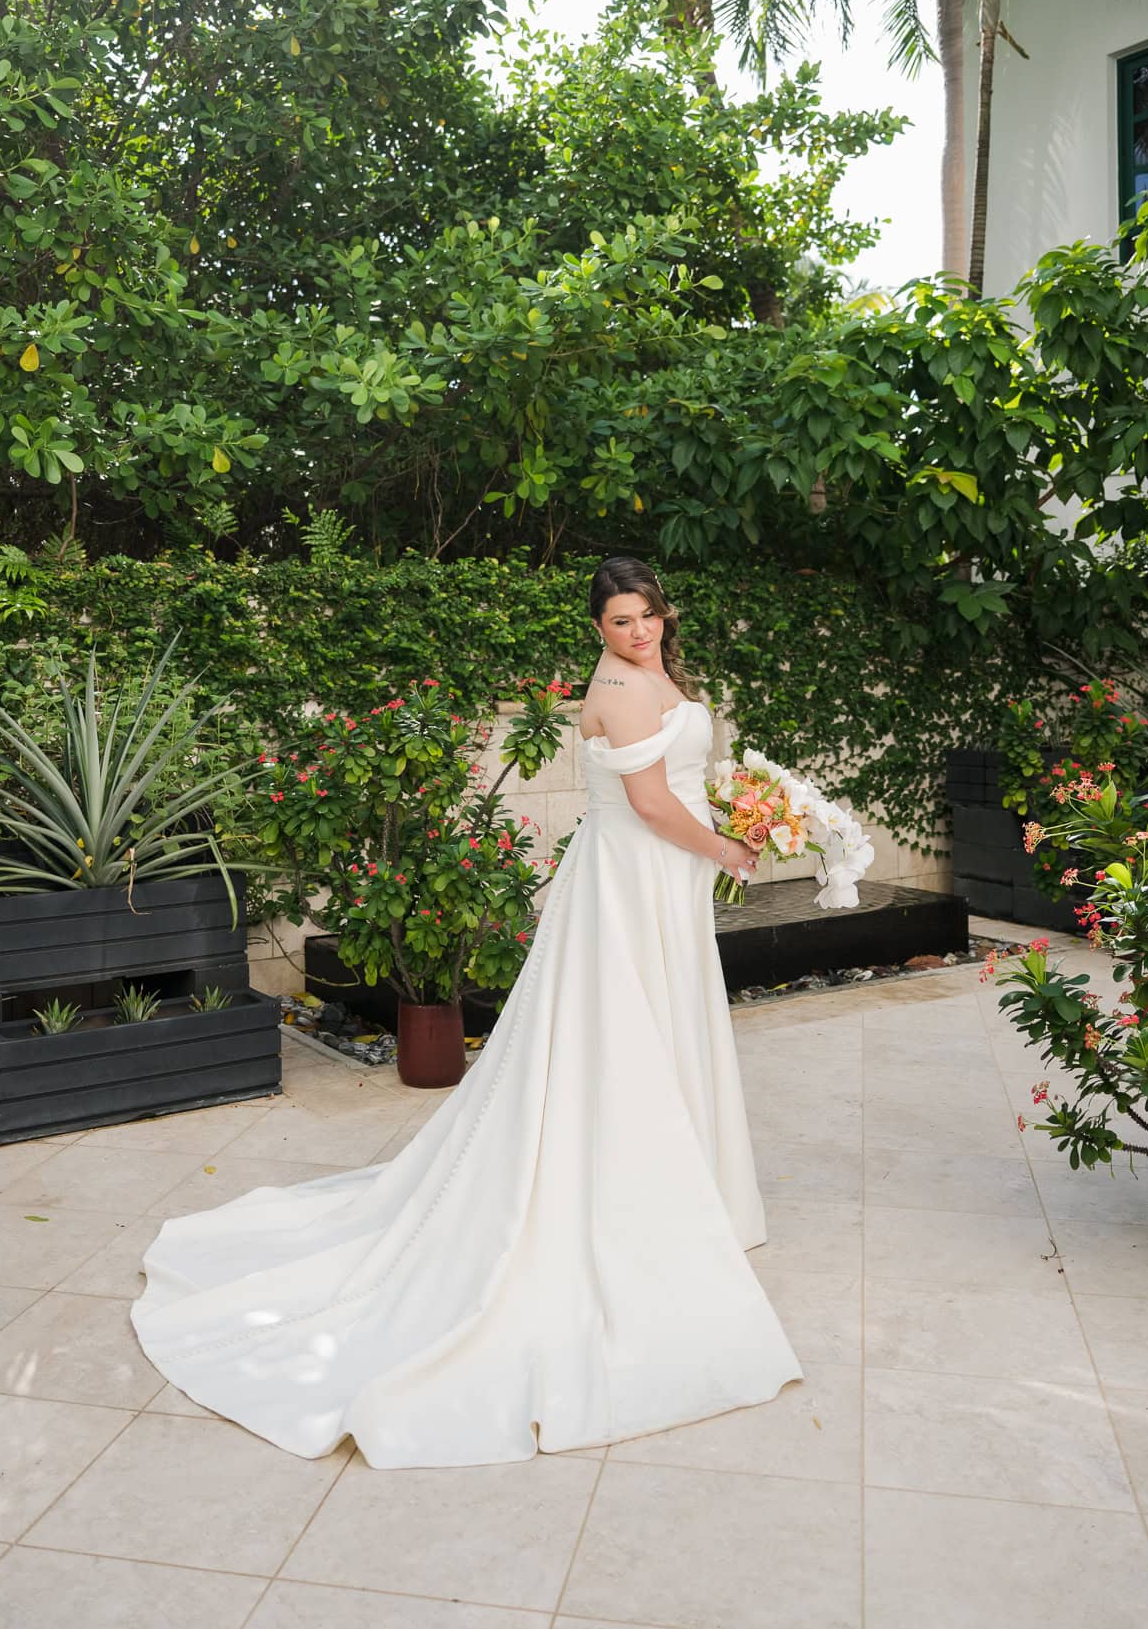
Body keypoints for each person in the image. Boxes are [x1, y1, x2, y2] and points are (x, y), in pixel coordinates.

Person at [130, 553, 804, 1466]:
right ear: (596, 629)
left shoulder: (659, 674)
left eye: (646, 616)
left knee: (660, 1021)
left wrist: (733, 819)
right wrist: (729, 847)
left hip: (663, 879)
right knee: (622, 1033)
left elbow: (676, 782)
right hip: (635, 878)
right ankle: (630, 1192)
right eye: (620, 621)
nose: (638, 633)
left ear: (661, 613)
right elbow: (648, 804)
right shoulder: (622, 690)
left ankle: (698, 1186)